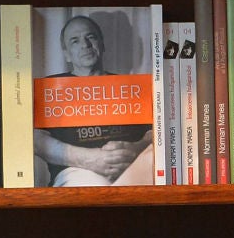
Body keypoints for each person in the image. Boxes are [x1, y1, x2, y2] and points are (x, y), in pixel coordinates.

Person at [33, 14, 153, 186]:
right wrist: (92, 159)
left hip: (131, 165)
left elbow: (155, 132)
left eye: (90, 37)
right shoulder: (52, 87)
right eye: (75, 41)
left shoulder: (130, 87)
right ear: (67, 54)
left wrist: (134, 149)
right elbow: (36, 141)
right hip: (78, 171)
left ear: (102, 44)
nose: (85, 45)